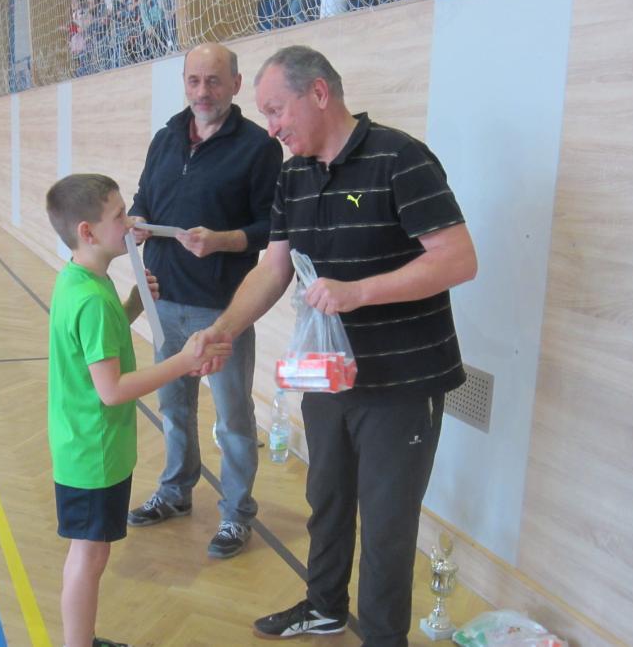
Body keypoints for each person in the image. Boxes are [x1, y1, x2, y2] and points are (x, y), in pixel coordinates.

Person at [198, 45, 478, 646]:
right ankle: (323, 607)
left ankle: (382, 637)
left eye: (276, 110)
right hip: (327, 377)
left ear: (319, 93)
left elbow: (458, 259)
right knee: (325, 498)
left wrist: (359, 292)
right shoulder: (293, 175)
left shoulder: (401, 159)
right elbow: (273, 268)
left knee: (386, 525)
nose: (271, 127)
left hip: (401, 387)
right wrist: (224, 328)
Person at [45, 173, 231, 647]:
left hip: (84, 444)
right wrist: (183, 362)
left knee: (91, 553)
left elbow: (94, 349)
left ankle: (82, 639)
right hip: (94, 452)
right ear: (87, 231)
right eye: (119, 216)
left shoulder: (81, 278)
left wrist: (131, 306)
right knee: (89, 556)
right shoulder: (91, 298)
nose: (130, 223)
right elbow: (111, 390)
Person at [125, 42, 283, 559]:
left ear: (235, 84)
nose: (202, 91)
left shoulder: (259, 147)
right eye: (194, 80)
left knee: (233, 417)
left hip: (223, 310)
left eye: (213, 80)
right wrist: (137, 222)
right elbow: (143, 200)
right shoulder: (166, 138)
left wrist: (222, 241)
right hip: (163, 300)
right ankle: (175, 491)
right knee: (173, 408)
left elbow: (270, 229)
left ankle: (236, 514)